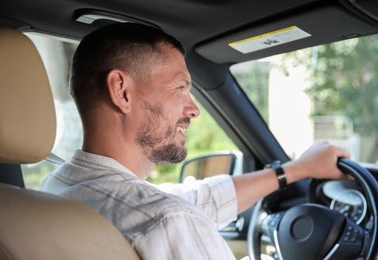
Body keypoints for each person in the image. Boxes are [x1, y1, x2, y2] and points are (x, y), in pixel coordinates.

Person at [41, 22, 350, 259]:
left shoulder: (58, 189)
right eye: (180, 88)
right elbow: (170, 214)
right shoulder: (165, 221)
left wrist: (295, 170)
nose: (194, 109)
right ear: (122, 91)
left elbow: (193, 200)